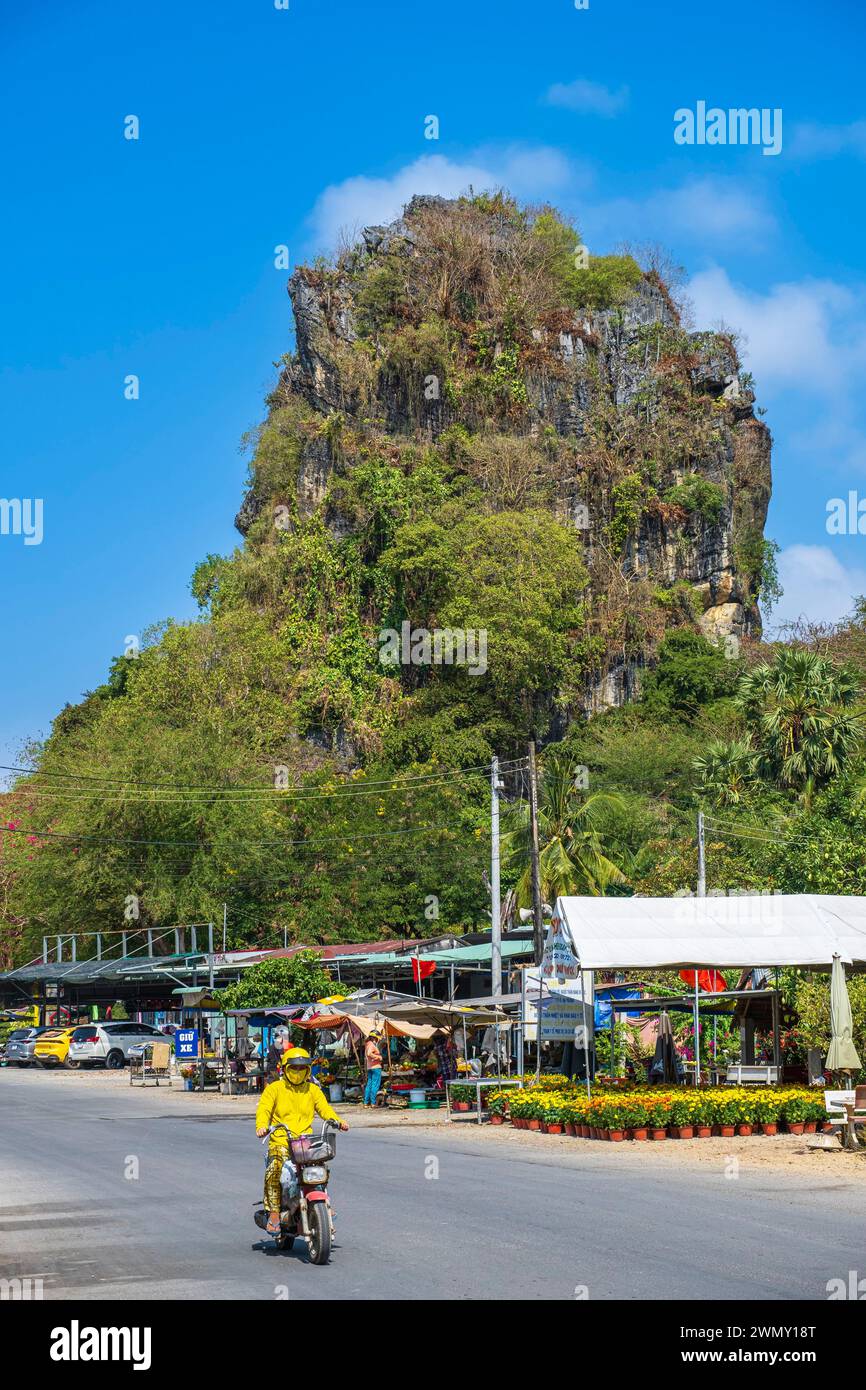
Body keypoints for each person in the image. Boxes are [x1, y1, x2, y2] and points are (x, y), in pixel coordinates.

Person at [255, 1047, 348, 1235]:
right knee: (274, 1169)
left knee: (319, 1167)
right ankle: (273, 1213)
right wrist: (262, 1126)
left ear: (307, 1070)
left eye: (302, 1069)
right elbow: (264, 1110)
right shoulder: (274, 1089)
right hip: (281, 1141)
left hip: (304, 1141)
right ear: (285, 1069)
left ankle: (322, 1202)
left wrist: (337, 1121)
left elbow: (325, 1109)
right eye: (294, 1069)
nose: (298, 1073)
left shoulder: (313, 1090)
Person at [364, 1029, 384, 1108]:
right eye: (377, 1038)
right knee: (375, 1085)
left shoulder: (367, 1044)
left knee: (369, 1085)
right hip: (376, 1068)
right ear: (374, 1038)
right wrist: (378, 1057)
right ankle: (373, 1103)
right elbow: (369, 1053)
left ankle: (366, 1103)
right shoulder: (371, 1044)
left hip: (369, 1067)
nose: (378, 1039)